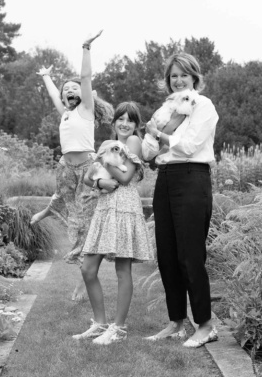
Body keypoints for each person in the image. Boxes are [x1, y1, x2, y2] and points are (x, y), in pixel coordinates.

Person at [142, 53, 219, 348]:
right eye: (173, 76)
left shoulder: (204, 106)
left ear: (195, 77)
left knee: (190, 255)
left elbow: (188, 147)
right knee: (167, 255)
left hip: (192, 177)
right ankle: (176, 322)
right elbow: (149, 152)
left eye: (183, 75)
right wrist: (157, 135)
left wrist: (160, 133)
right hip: (166, 179)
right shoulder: (165, 108)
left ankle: (206, 325)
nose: (178, 80)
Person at [31, 30, 113, 301]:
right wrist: (46, 76)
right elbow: (54, 93)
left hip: (88, 169)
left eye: (74, 87)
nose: (69, 90)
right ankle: (49, 212)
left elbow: (86, 78)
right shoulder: (65, 113)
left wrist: (86, 48)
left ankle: (83, 280)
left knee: (84, 224)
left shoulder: (86, 110)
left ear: (85, 94)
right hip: (65, 168)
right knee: (74, 222)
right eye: (67, 89)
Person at [72, 102, 154, 345]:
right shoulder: (108, 145)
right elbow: (88, 177)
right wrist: (100, 183)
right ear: (114, 122)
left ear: (136, 125)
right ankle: (100, 323)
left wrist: (106, 162)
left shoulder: (133, 143)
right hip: (105, 207)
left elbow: (126, 178)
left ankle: (118, 327)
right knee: (87, 269)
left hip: (125, 207)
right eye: (121, 119)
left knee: (122, 270)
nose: (125, 124)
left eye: (130, 120)